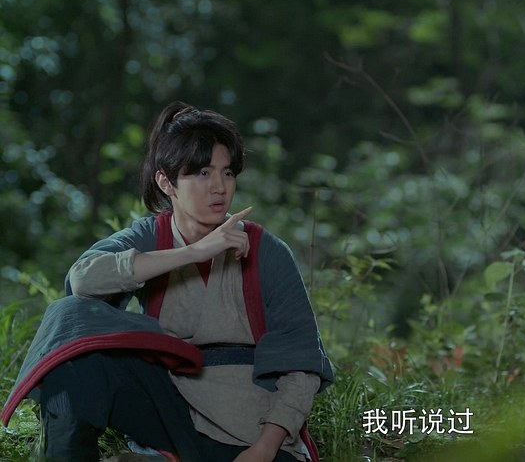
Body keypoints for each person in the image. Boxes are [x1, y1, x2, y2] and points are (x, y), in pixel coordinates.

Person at [1, 102, 334, 461]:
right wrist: (193, 253)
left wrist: (265, 448)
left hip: (248, 424)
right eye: (203, 173)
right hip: (170, 407)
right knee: (69, 324)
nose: (219, 187)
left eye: (227, 173)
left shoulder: (268, 251)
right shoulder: (151, 236)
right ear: (166, 182)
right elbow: (82, 280)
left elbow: (301, 365)